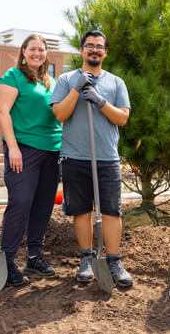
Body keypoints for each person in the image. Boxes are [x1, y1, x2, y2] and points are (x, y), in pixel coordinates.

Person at [50, 30, 133, 287]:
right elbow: (60, 115)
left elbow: (122, 118)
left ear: (105, 52)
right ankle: (86, 257)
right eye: (89, 46)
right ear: (81, 50)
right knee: (82, 211)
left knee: (111, 211)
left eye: (99, 46)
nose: (94, 50)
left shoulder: (116, 83)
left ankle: (114, 260)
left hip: (106, 157)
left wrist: (99, 101)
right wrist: (77, 89)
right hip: (75, 157)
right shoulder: (65, 80)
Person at [0, 33, 62, 286]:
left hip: (53, 150)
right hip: (24, 149)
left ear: (46, 53)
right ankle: (7, 261)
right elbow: (1, 111)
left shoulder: (52, 82)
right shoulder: (13, 77)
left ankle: (34, 256)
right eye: (32, 49)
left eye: (41, 49)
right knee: (21, 202)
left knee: (44, 205)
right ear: (23, 51)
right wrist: (12, 147)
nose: (37, 53)